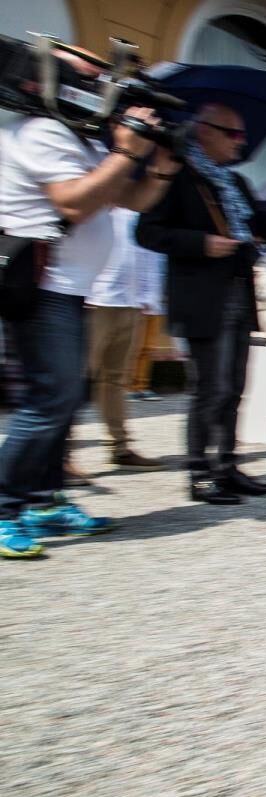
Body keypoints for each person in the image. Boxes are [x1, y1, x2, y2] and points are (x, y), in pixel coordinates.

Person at [0, 49, 179, 558]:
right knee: (48, 400)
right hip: (43, 286)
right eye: (89, 75)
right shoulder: (40, 132)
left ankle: (41, 499)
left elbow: (129, 199)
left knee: (62, 400)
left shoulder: (70, 137)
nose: (101, 83)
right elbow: (74, 203)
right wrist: (126, 149)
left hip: (70, 288)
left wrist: (161, 167)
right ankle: (6, 506)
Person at [136, 102, 266, 506]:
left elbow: (264, 230)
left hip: (238, 292)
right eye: (232, 133)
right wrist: (202, 244)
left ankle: (226, 466)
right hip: (202, 296)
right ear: (204, 131)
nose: (239, 143)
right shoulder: (178, 177)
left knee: (234, 388)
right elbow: (148, 232)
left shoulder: (235, 183)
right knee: (211, 388)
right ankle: (198, 471)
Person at [84, 207, 167, 470]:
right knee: (76, 380)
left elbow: (148, 255)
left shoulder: (136, 209)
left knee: (117, 379)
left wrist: (148, 297)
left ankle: (118, 447)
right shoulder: (98, 205)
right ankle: (61, 456)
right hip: (93, 302)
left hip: (129, 303)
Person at [127, 235, 169, 401]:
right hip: (139, 300)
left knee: (149, 347)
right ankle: (129, 386)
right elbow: (139, 270)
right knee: (134, 346)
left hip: (156, 300)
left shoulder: (160, 249)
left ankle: (142, 385)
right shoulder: (140, 241)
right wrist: (141, 296)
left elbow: (161, 273)